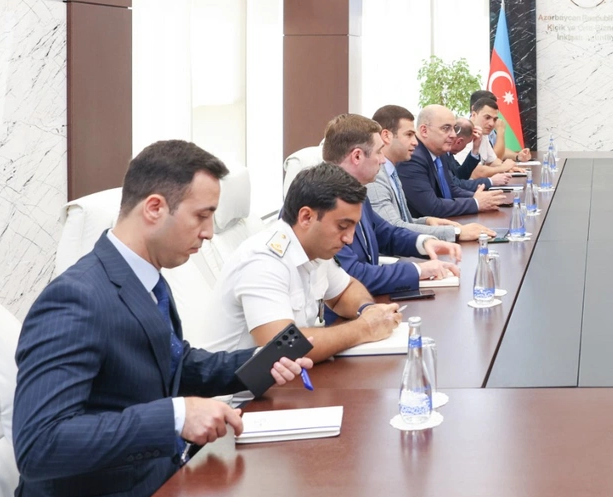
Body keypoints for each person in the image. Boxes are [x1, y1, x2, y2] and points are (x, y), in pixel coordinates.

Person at [13, 141, 312, 497]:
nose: (209, 233)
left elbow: (174, 363)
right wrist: (175, 416)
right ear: (154, 208)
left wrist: (259, 363)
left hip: (160, 485)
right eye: (202, 216)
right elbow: (40, 445)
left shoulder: (148, 279)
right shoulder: (76, 298)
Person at [206, 163, 403, 356]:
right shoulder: (262, 261)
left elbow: (344, 291)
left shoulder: (316, 248)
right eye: (342, 226)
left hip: (291, 373)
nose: (349, 239)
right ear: (306, 217)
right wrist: (365, 328)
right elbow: (284, 347)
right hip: (239, 378)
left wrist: (368, 310)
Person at [321, 114, 462, 296]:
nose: (382, 160)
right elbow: (352, 275)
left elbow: (386, 233)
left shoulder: (356, 191)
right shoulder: (324, 202)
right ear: (357, 156)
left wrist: (424, 242)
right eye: (379, 152)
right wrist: (419, 270)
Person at [367, 104, 495, 243]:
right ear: (386, 136)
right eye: (409, 135)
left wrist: (427, 221)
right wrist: (456, 232)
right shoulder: (376, 176)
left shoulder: (392, 169)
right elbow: (393, 228)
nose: (415, 142)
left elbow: (403, 220)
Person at [398, 105, 511, 218]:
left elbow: (451, 188)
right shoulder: (412, 158)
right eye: (446, 128)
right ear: (424, 131)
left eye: (454, 128)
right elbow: (432, 207)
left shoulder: (439, 151)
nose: (453, 135)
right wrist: (475, 203)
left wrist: (481, 197)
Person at [468, 96, 521, 179]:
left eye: (495, 119)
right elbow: (474, 172)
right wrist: (503, 168)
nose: (492, 124)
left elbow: (492, 161)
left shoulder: (483, 134)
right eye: (487, 117)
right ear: (474, 115)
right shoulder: (465, 133)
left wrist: (510, 167)